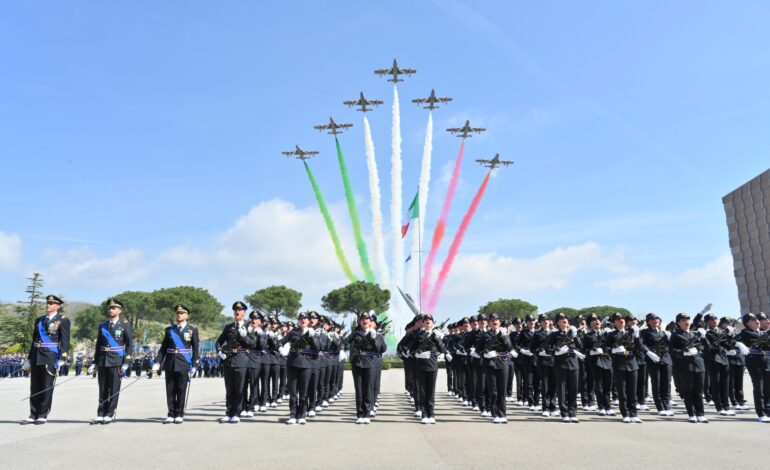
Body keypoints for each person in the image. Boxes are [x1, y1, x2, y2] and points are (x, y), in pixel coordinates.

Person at [20, 294, 71, 425]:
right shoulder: (39, 320)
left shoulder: (63, 320)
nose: (48, 305)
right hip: (37, 356)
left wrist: (62, 357)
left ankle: (42, 414)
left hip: (50, 357)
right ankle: (33, 414)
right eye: (47, 303)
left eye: (51, 303)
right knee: (35, 386)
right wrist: (29, 359)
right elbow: (34, 341)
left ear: (58, 306)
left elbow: (65, 340)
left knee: (46, 387)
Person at [154, 303, 200, 424]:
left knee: (181, 389)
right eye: (177, 313)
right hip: (170, 363)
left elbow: (196, 349)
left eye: (181, 313)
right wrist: (157, 362)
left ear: (187, 315)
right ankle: (171, 413)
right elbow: (163, 348)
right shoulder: (170, 330)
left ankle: (179, 414)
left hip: (183, 363)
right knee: (170, 390)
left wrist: (195, 365)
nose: (179, 315)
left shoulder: (192, 330)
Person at [89, 298, 133, 424]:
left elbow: (129, 344)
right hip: (103, 360)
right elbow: (98, 345)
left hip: (116, 360)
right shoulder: (103, 325)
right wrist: (95, 362)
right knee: (102, 389)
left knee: (113, 389)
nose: (111, 310)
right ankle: (100, 412)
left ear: (119, 310)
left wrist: (127, 361)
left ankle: (109, 413)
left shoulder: (125, 325)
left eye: (114, 308)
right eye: (109, 308)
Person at [215, 301, 256, 424]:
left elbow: (253, 344)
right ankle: (228, 413)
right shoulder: (229, 327)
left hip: (242, 359)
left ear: (244, 313)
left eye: (240, 310)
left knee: (239, 388)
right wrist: (219, 352)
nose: (237, 312)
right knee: (229, 389)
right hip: (228, 359)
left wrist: (244, 336)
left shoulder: (249, 327)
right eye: (235, 310)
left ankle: (237, 413)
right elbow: (218, 342)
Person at [669, 312, 709, 423]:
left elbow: (707, 348)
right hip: (685, 365)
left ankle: (700, 414)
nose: (686, 321)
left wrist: (704, 337)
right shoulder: (676, 335)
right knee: (688, 391)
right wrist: (683, 352)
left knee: (699, 391)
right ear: (678, 323)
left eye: (687, 319)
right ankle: (691, 414)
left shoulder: (694, 334)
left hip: (698, 364)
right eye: (683, 320)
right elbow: (671, 350)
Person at [349, 311, 387, 424]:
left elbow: (382, 349)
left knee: (368, 389)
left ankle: (367, 413)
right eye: (362, 319)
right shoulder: (355, 333)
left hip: (370, 363)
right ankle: (359, 414)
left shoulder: (377, 334)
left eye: (367, 319)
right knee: (359, 390)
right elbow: (345, 342)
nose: (365, 320)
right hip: (358, 362)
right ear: (360, 322)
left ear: (371, 322)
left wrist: (374, 338)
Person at [281, 311, 319, 425]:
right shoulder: (293, 332)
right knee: (293, 393)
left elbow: (317, 349)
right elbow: (280, 342)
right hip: (292, 363)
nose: (303, 320)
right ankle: (293, 414)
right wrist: (281, 349)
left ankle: (302, 414)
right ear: (299, 321)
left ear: (308, 321)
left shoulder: (312, 333)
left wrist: (312, 338)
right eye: (301, 318)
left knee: (303, 392)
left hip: (306, 364)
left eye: (305, 318)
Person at [604, 312, 642, 423]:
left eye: (622, 319)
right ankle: (625, 413)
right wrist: (614, 350)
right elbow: (605, 349)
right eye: (617, 319)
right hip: (619, 364)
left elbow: (638, 348)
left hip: (632, 363)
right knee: (622, 391)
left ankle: (634, 414)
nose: (621, 320)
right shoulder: (611, 335)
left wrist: (637, 336)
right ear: (614, 323)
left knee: (632, 391)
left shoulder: (631, 333)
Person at [547, 313, 584, 423]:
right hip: (560, 364)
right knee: (562, 389)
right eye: (561, 319)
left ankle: (572, 413)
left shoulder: (572, 333)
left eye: (565, 318)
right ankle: (564, 413)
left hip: (573, 363)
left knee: (573, 389)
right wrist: (556, 351)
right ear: (557, 323)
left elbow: (580, 346)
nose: (564, 320)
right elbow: (547, 348)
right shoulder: (554, 335)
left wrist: (576, 336)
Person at [734, 312, 770, 422]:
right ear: (747, 323)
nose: (757, 321)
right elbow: (731, 340)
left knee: (768, 387)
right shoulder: (745, 332)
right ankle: (761, 413)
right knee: (759, 387)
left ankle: (768, 410)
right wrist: (738, 344)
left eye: (757, 319)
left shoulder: (763, 332)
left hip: (766, 361)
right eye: (753, 319)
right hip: (754, 362)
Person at [480, 314, 513, 423]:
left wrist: (504, 336)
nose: (495, 321)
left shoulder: (504, 334)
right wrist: (485, 355)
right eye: (492, 320)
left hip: (503, 363)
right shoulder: (485, 335)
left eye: (497, 319)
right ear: (489, 323)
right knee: (493, 391)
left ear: (499, 322)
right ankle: (495, 414)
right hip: (490, 365)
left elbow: (509, 348)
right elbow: (478, 350)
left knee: (502, 390)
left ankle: (502, 413)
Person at [640, 313, 673, 416]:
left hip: (666, 358)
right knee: (657, 383)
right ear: (648, 321)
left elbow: (672, 345)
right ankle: (660, 407)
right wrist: (648, 352)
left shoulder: (664, 333)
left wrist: (671, 338)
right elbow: (640, 343)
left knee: (666, 383)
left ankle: (667, 405)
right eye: (653, 319)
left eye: (657, 319)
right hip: (653, 359)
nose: (655, 320)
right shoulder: (644, 332)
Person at [583, 313, 614, 416]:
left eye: (598, 320)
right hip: (595, 361)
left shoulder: (607, 334)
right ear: (589, 324)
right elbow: (584, 350)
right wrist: (592, 351)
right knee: (599, 385)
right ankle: (601, 407)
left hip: (607, 360)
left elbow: (612, 346)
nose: (596, 321)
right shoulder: (587, 335)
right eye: (593, 320)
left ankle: (608, 407)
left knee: (608, 385)